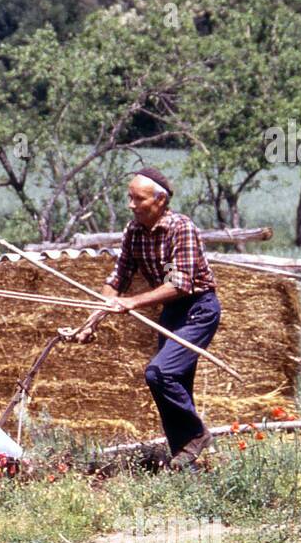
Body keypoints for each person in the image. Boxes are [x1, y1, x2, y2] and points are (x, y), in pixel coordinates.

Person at [73, 167, 221, 470]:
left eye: (137, 199)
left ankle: (196, 434)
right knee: (177, 383)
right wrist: (92, 320)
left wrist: (131, 303)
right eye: (129, 198)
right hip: (172, 313)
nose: (131, 205)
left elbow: (179, 284)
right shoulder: (134, 231)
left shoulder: (181, 228)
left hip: (198, 311)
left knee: (160, 373)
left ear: (160, 200)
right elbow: (118, 278)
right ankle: (185, 464)